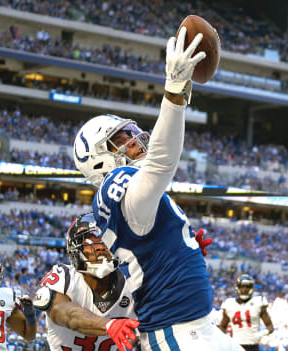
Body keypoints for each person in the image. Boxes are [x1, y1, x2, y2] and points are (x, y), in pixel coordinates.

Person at [73, 26, 241, 351]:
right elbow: (162, 163)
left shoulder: (118, 196)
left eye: (129, 132)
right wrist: (175, 90)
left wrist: (178, 246)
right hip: (177, 334)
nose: (134, 139)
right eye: (119, 139)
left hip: (195, 327)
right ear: (98, 159)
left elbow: (140, 261)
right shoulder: (115, 185)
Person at [33, 213, 138, 351]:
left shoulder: (132, 280)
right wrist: (109, 325)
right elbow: (66, 315)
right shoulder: (65, 277)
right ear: (75, 251)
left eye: (104, 239)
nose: (100, 246)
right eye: (89, 242)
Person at [218, 274, 274, 351]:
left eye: (247, 287)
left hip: (253, 346)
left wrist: (262, 334)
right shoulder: (229, 304)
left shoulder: (259, 302)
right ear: (237, 287)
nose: (244, 289)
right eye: (242, 286)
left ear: (251, 288)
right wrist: (226, 339)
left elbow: (270, 326)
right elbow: (222, 327)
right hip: (235, 346)